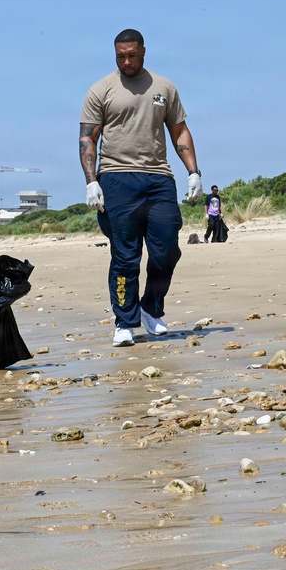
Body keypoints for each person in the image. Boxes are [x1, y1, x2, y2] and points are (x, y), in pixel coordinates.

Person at [79, 28, 204, 347]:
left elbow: (179, 131)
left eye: (132, 55)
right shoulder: (101, 90)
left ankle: (151, 308)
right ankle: (125, 322)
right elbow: (88, 138)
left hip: (159, 178)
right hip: (116, 178)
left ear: (144, 52)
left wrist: (193, 172)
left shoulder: (164, 87)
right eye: (120, 56)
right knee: (126, 255)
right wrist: (91, 181)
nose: (126, 62)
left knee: (167, 249)